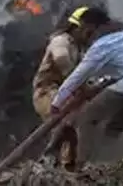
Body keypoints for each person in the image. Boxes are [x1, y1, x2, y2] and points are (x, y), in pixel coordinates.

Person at [44, 5, 123, 164]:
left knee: (87, 118)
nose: (80, 33)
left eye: (81, 27)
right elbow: (120, 64)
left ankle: (83, 166)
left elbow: (77, 76)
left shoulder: (102, 45)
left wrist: (57, 102)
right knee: (113, 128)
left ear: (90, 26)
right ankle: (108, 159)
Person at [31, 9, 84, 171]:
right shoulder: (62, 40)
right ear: (77, 28)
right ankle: (47, 159)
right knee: (65, 121)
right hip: (46, 91)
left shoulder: (78, 48)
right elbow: (61, 58)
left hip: (61, 92)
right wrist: (76, 80)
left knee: (72, 133)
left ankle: (66, 169)